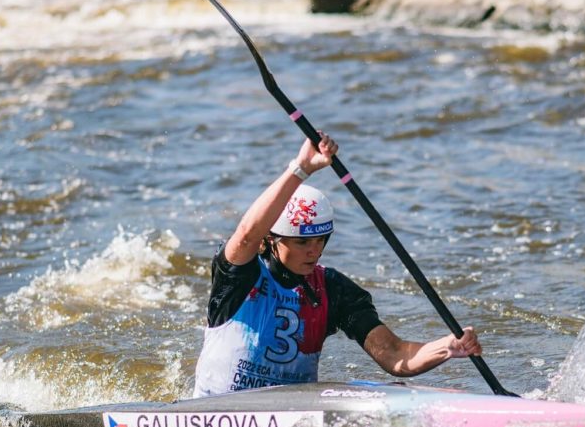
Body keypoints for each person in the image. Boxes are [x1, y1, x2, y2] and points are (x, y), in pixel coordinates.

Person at [193, 132, 482, 397]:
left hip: (292, 414)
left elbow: (394, 355)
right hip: (217, 408)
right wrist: (300, 169)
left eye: (321, 241)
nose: (314, 251)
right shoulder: (240, 274)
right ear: (271, 240)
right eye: (302, 243)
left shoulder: (333, 289)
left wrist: (447, 347)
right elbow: (245, 236)